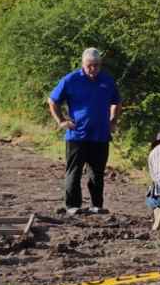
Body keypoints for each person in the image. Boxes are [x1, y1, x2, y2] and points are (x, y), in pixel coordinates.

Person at [47, 48, 120, 216]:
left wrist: (113, 121)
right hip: (77, 135)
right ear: (83, 64)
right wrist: (61, 121)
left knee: (97, 172)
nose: (93, 69)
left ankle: (96, 205)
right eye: (90, 66)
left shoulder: (107, 81)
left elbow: (116, 102)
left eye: (96, 65)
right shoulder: (71, 79)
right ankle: (72, 205)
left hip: (100, 135)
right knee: (74, 171)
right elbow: (52, 100)